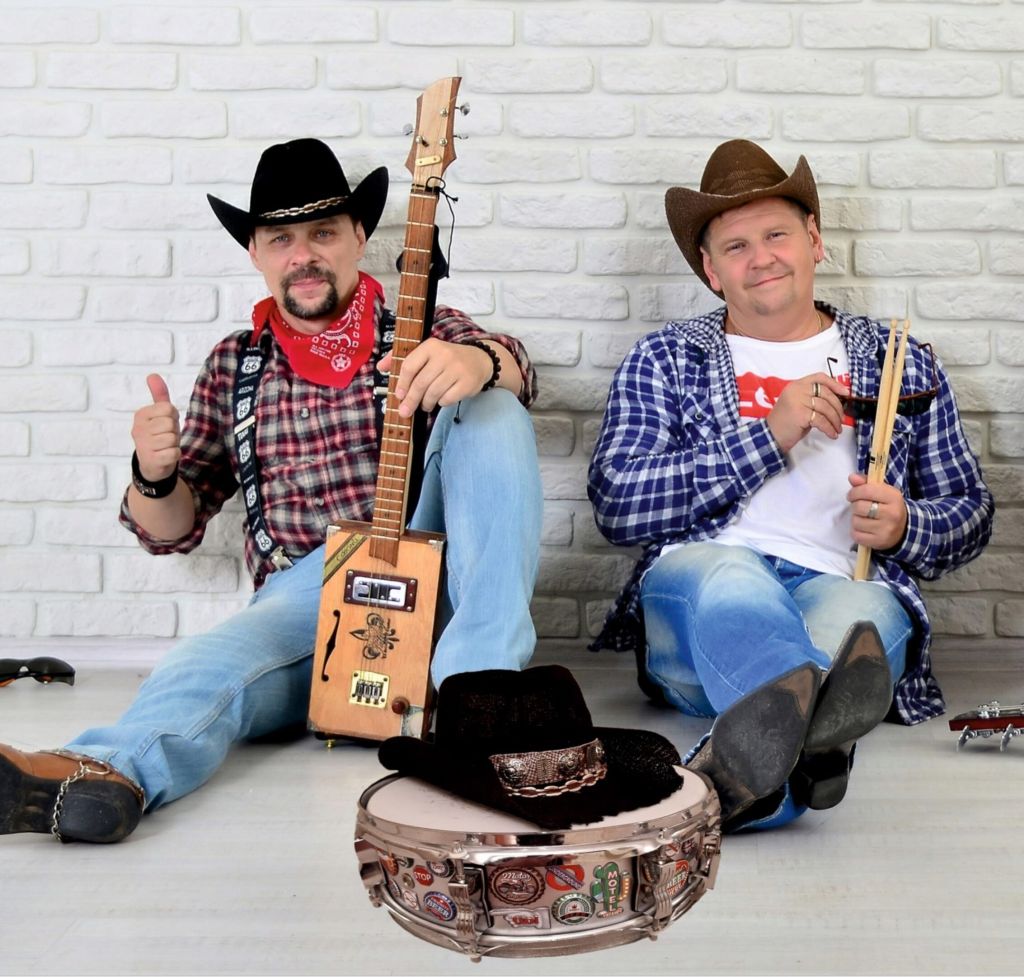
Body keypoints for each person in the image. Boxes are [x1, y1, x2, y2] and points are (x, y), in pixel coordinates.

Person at [0, 138, 542, 844]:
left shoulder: (422, 325)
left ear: (359, 237)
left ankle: (483, 698)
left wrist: (480, 361)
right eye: (281, 238)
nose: (303, 255)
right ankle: (104, 774)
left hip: (442, 587)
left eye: (323, 232)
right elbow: (173, 529)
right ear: (255, 251)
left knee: (496, 407)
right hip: (310, 610)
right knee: (208, 662)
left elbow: (518, 368)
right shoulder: (236, 362)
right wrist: (152, 473)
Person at [587, 139, 993, 832]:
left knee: (858, 624)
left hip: (845, 581)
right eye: (736, 246)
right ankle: (808, 730)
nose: (762, 258)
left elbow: (970, 511)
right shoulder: (666, 357)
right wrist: (767, 437)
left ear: (814, 241)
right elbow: (619, 501)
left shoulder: (896, 360)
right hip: (704, 583)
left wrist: (906, 526)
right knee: (734, 581)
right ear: (712, 271)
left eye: (776, 235)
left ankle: (750, 783)